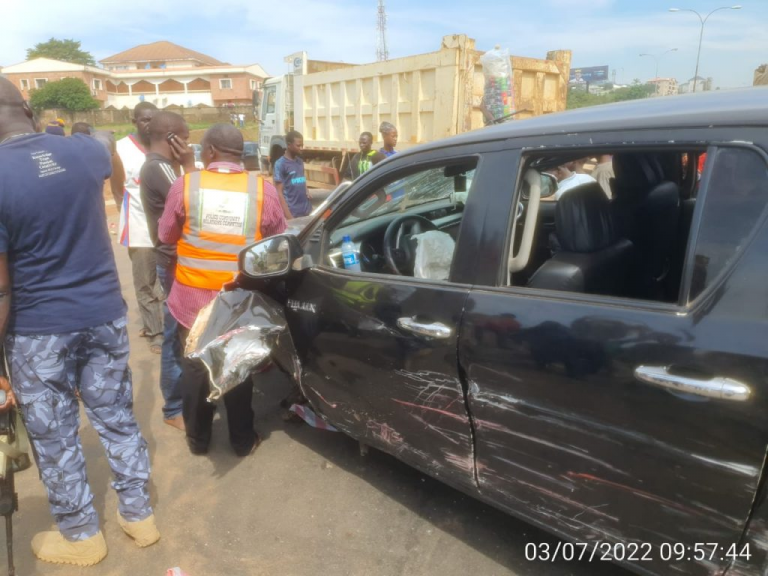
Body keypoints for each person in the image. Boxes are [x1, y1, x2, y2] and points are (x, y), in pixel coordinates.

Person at [0, 77, 159, 566]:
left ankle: (81, 535)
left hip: (38, 329)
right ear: (27, 109)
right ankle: (139, 516)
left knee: (55, 436)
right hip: (103, 314)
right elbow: (108, 151)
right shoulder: (83, 151)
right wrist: (115, 193)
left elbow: (1, 289)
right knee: (117, 416)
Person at [158, 123, 286, 456]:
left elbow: (166, 235)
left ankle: (198, 440)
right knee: (236, 366)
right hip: (236, 301)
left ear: (211, 151)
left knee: (195, 368)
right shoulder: (262, 190)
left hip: (192, 299)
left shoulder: (186, 185)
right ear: (239, 154)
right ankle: (242, 441)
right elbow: (276, 240)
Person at [140, 111, 196, 430]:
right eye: (185, 138)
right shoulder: (159, 167)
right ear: (172, 138)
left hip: (176, 260)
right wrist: (190, 165)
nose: (188, 144)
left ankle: (184, 398)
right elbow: (193, 200)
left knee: (184, 333)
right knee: (174, 336)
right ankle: (174, 407)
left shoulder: (160, 166)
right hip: (173, 262)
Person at [115, 103, 164, 354]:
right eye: (144, 120)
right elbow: (116, 188)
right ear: (134, 121)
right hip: (138, 229)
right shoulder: (121, 149)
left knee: (165, 283)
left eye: (153, 119)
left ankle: (161, 323)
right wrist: (127, 216)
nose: (149, 124)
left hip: (164, 229)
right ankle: (155, 331)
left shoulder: (164, 144)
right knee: (145, 283)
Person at [274, 130, 312, 219]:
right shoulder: (280, 164)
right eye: (298, 145)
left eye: (302, 145)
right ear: (289, 145)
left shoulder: (300, 161)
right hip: (293, 214)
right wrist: (290, 218)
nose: (301, 148)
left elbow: (302, 178)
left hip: (306, 212)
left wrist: (306, 190)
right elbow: (279, 193)